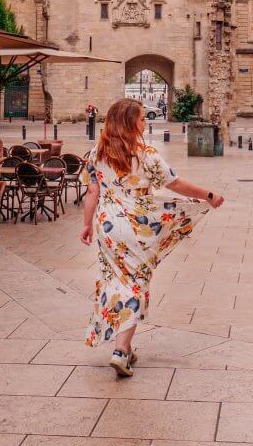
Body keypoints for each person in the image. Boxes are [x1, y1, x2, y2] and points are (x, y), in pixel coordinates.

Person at [80, 98, 224, 377]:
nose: (145, 123)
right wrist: (208, 195)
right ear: (129, 122)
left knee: (116, 280)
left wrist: (86, 224)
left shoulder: (96, 153)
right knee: (136, 283)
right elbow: (175, 183)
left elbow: (92, 194)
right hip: (137, 226)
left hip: (107, 224)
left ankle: (127, 347)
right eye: (142, 119)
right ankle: (121, 350)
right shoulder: (144, 154)